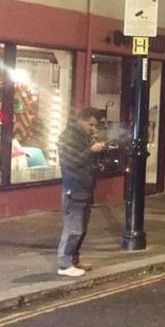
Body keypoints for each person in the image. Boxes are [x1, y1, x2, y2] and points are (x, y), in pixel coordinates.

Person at [56, 108, 109, 277]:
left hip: (84, 187)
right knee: (74, 229)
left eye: (95, 125)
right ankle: (64, 265)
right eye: (91, 124)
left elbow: (83, 161)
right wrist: (91, 151)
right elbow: (72, 162)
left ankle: (74, 260)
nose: (93, 128)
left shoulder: (83, 137)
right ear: (80, 120)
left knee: (82, 229)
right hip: (75, 187)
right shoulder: (68, 137)